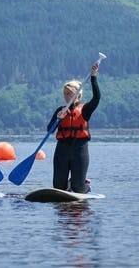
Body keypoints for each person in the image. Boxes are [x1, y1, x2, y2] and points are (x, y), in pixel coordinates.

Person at [47, 63, 100, 193]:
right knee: (58, 187)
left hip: (79, 150)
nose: (66, 96)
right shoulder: (60, 110)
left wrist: (93, 77)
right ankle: (68, 185)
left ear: (77, 95)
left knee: (78, 188)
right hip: (62, 150)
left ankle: (84, 186)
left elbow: (97, 97)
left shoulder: (85, 110)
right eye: (65, 93)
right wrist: (57, 119)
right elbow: (50, 130)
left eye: (70, 93)